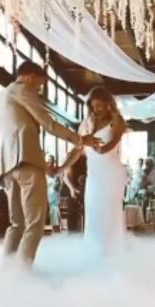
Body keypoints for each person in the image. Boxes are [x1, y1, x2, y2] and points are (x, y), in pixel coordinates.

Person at [0, 59, 101, 268]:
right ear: (31, 77)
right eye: (40, 84)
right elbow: (49, 124)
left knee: (17, 223)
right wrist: (80, 139)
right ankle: (22, 272)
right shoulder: (23, 90)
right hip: (26, 164)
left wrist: (42, 163)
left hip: (6, 164)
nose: (39, 89)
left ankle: (7, 271)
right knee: (35, 223)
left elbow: (18, 132)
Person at [62, 86, 127, 256]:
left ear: (108, 104)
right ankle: (94, 253)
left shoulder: (117, 119)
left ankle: (113, 252)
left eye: (99, 106)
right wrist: (62, 168)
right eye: (92, 106)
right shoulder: (86, 124)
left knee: (109, 214)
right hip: (94, 176)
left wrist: (102, 148)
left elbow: (114, 140)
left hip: (112, 174)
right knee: (93, 213)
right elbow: (78, 149)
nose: (95, 110)